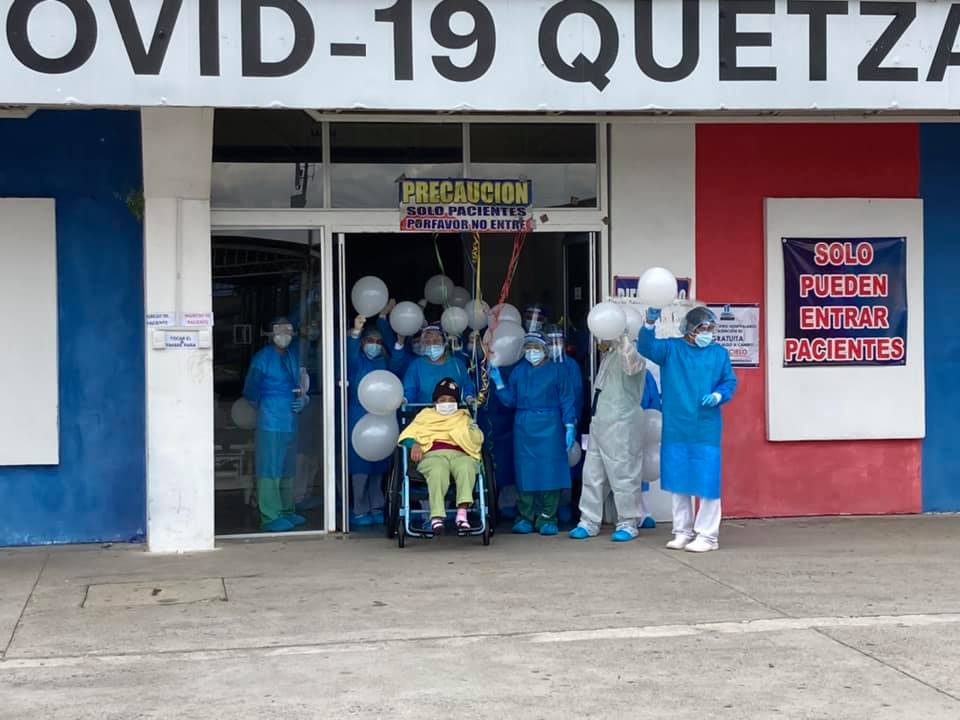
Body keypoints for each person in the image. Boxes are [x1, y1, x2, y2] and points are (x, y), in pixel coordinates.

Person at [637, 306, 737, 553]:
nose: (708, 333)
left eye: (711, 328)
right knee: (679, 480)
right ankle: (682, 531)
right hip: (677, 426)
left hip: (706, 427)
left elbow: (729, 381)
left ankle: (708, 536)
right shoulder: (671, 349)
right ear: (690, 329)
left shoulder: (718, 353)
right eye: (703, 328)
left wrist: (718, 395)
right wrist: (649, 323)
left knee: (707, 482)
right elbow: (646, 348)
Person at [489, 332, 577, 536]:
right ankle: (526, 516)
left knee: (550, 471)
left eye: (535, 348)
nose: (531, 352)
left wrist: (569, 425)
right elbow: (511, 400)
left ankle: (548, 517)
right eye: (528, 348)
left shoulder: (557, 371)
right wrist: (499, 383)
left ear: (545, 350)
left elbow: (567, 399)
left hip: (551, 425)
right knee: (525, 471)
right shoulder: (519, 371)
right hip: (524, 425)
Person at [569, 333, 648, 542]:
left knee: (624, 473)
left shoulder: (634, 353)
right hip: (600, 422)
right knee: (592, 474)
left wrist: (623, 339)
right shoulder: (608, 356)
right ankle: (589, 520)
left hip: (622, 423)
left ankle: (628, 522)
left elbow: (631, 366)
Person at [242, 317, 309, 533]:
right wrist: (265, 407)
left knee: (286, 467)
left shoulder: (292, 356)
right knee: (270, 468)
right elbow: (250, 391)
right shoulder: (262, 359)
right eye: (280, 330)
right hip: (270, 420)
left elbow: (301, 384)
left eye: (289, 330)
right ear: (271, 334)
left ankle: (287, 510)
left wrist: (304, 399)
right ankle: (270, 515)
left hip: (290, 419)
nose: (285, 334)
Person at [398, 378, 484, 533]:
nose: (447, 403)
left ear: (457, 402)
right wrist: (414, 444)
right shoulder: (425, 415)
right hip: (433, 455)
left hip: (460, 454)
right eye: (442, 400)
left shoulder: (463, 416)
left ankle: (462, 514)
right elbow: (407, 435)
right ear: (435, 401)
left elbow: (477, 439)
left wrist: (470, 430)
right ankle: (436, 516)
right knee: (438, 470)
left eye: (451, 400)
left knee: (467, 467)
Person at [347, 312, 405, 527]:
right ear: (363, 343)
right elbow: (349, 354)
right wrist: (355, 332)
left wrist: (399, 343)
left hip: (383, 419)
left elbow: (398, 367)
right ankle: (359, 509)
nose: (374, 345)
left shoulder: (383, 361)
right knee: (360, 465)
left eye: (378, 342)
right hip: (358, 417)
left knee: (379, 463)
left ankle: (377, 506)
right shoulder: (355, 362)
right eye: (370, 341)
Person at [402, 324, 476, 406]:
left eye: (436, 341)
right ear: (422, 345)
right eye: (427, 342)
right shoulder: (416, 366)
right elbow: (410, 391)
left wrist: (469, 398)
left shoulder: (457, 364)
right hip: (425, 414)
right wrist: (405, 400)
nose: (432, 345)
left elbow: (467, 386)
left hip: (454, 413)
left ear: (445, 342)